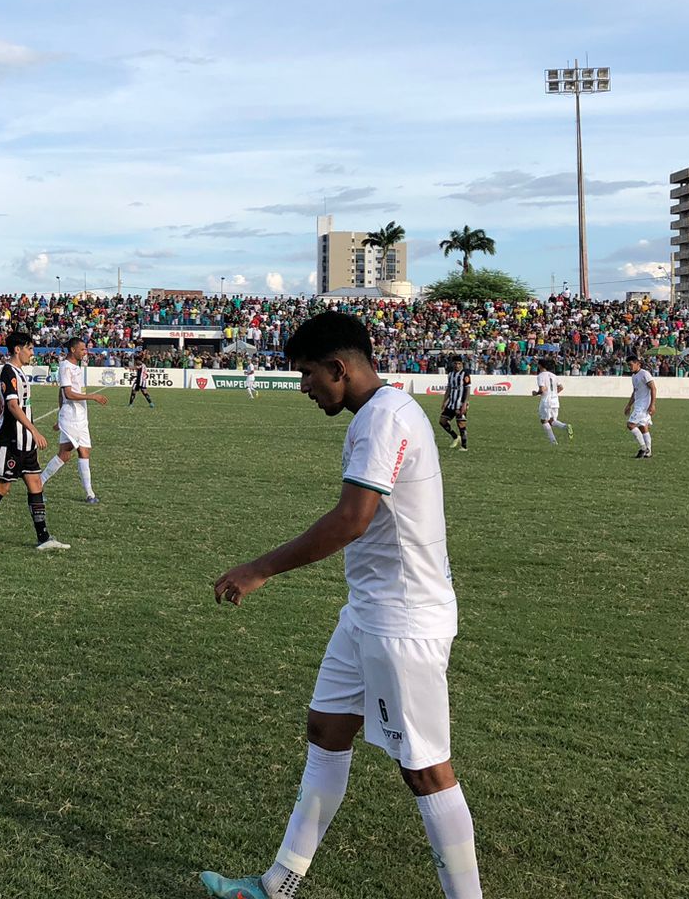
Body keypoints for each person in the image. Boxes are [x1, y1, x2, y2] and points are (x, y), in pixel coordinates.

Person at [203, 311, 482, 899]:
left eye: (307, 375)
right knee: (327, 729)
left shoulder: (382, 420)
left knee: (426, 770)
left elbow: (353, 520)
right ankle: (278, 885)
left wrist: (260, 569)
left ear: (339, 367)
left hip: (402, 620)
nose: (303, 387)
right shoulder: (388, 411)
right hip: (368, 613)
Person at [0, 330, 69, 552]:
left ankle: (44, 538)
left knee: (36, 485)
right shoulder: (8, 372)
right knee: (2, 488)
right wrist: (33, 431)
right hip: (12, 441)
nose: (32, 353)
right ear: (17, 349)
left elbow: (1, 404)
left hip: (25, 444)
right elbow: (11, 406)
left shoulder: (20, 373)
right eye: (29, 348)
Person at [39, 337, 107, 504]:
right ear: (72, 349)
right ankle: (38, 485)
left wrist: (59, 416)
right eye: (83, 349)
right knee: (71, 454)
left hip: (80, 418)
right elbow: (67, 393)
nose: (86, 352)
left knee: (74, 454)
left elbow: (61, 395)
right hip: (72, 418)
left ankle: (89, 494)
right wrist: (93, 396)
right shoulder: (65, 367)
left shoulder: (76, 367)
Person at [624, 354, 658, 458]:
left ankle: (644, 448)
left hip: (643, 406)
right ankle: (649, 452)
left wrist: (652, 405)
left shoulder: (645, 374)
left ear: (637, 363)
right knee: (643, 427)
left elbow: (653, 388)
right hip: (639, 404)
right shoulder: (634, 376)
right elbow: (635, 391)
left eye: (631, 365)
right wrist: (629, 405)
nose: (629, 367)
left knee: (630, 425)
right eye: (628, 365)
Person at [532, 357, 572, 444]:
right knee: (552, 421)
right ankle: (566, 426)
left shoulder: (540, 376)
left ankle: (553, 441)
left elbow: (542, 389)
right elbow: (561, 387)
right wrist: (553, 393)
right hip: (555, 400)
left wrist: (536, 393)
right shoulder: (554, 375)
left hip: (546, 400)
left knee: (544, 420)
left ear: (540, 365)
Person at [437, 357, 470, 451]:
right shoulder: (450, 374)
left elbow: (467, 389)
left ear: (462, 364)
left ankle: (464, 446)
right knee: (442, 421)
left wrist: (465, 403)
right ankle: (455, 437)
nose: (457, 365)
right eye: (455, 363)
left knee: (461, 425)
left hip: (460, 404)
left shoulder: (465, 374)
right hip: (451, 403)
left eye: (459, 363)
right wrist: (444, 401)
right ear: (453, 364)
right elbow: (449, 389)